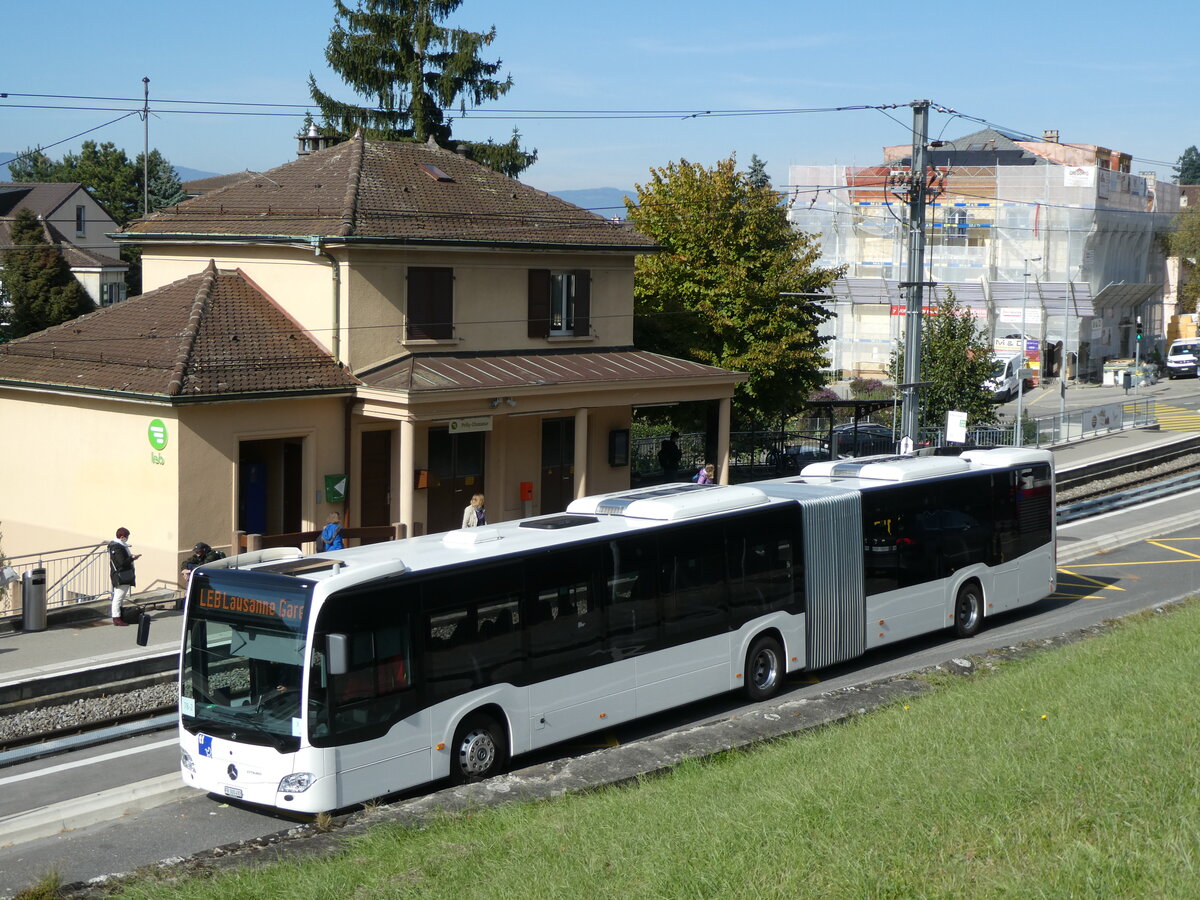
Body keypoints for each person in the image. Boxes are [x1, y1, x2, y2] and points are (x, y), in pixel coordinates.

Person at [107, 527, 140, 626]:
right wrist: (132, 558)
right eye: (127, 537)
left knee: (119, 597)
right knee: (118, 597)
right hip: (121, 575)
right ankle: (116, 618)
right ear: (122, 537)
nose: (127, 538)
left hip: (120, 575)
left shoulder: (117, 545)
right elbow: (121, 563)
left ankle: (119, 616)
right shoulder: (117, 547)